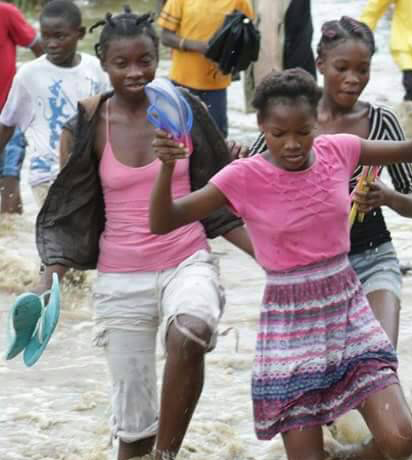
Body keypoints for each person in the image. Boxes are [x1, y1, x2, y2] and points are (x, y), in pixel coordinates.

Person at [148, 68, 412, 459]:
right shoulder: (242, 176)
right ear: (262, 126)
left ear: (317, 122)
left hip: (348, 312)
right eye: (279, 134)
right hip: (291, 326)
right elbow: (163, 220)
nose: (292, 144)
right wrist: (165, 167)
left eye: (303, 131)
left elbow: (411, 151)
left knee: (400, 441)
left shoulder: (339, 150)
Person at [34, 7, 255, 460]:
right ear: (103, 63)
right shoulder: (87, 125)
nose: (136, 72)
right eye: (122, 63)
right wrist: (47, 279)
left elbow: (220, 197)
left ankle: (167, 456)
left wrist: (278, 256)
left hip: (185, 260)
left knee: (191, 331)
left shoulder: (185, 110)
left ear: (159, 58)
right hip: (121, 279)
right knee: (132, 436)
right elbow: (69, 212)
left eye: (145, 61)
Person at [247, 17, 412, 347]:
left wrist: (387, 197)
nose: (353, 80)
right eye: (342, 68)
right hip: (309, 272)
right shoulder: (294, 119)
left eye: (363, 69)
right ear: (320, 64)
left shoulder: (381, 122)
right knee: (319, 384)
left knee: (380, 361)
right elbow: (246, 189)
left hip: (374, 259)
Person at [0, 0, 109, 212]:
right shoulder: (28, 75)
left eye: (60, 36)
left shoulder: (94, 68)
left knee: (86, 237)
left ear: (80, 34)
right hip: (46, 175)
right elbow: (7, 123)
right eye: (46, 36)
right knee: (57, 238)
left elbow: (106, 117)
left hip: (86, 172)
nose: (51, 44)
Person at [157, 0, 255, 137]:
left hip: (216, 85)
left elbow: (248, 32)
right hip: (182, 81)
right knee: (179, 137)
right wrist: (197, 46)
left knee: (216, 138)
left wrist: (234, 54)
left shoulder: (240, 2)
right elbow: (165, 37)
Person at [0, 1, 44, 214]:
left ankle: (9, 238)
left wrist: (43, 87)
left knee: (9, 175)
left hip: (9, 109)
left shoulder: (5, 13)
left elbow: (39, 47)